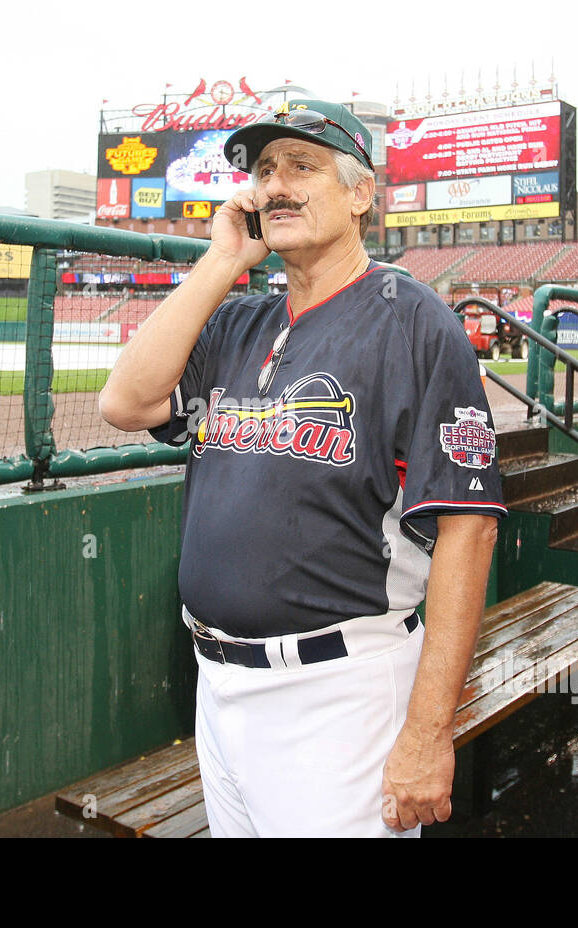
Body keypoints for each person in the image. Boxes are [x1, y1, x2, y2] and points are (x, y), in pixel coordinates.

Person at [99, 99, 505, 837]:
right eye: (263, 170)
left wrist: (426, 733)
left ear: (359, 195)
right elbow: (125, 402)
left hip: (339, 693)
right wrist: (223, 260)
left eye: (302, 165)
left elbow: (469, 532)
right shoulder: (235, 321)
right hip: (216, 687)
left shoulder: (413, 321)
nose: (275, 185)